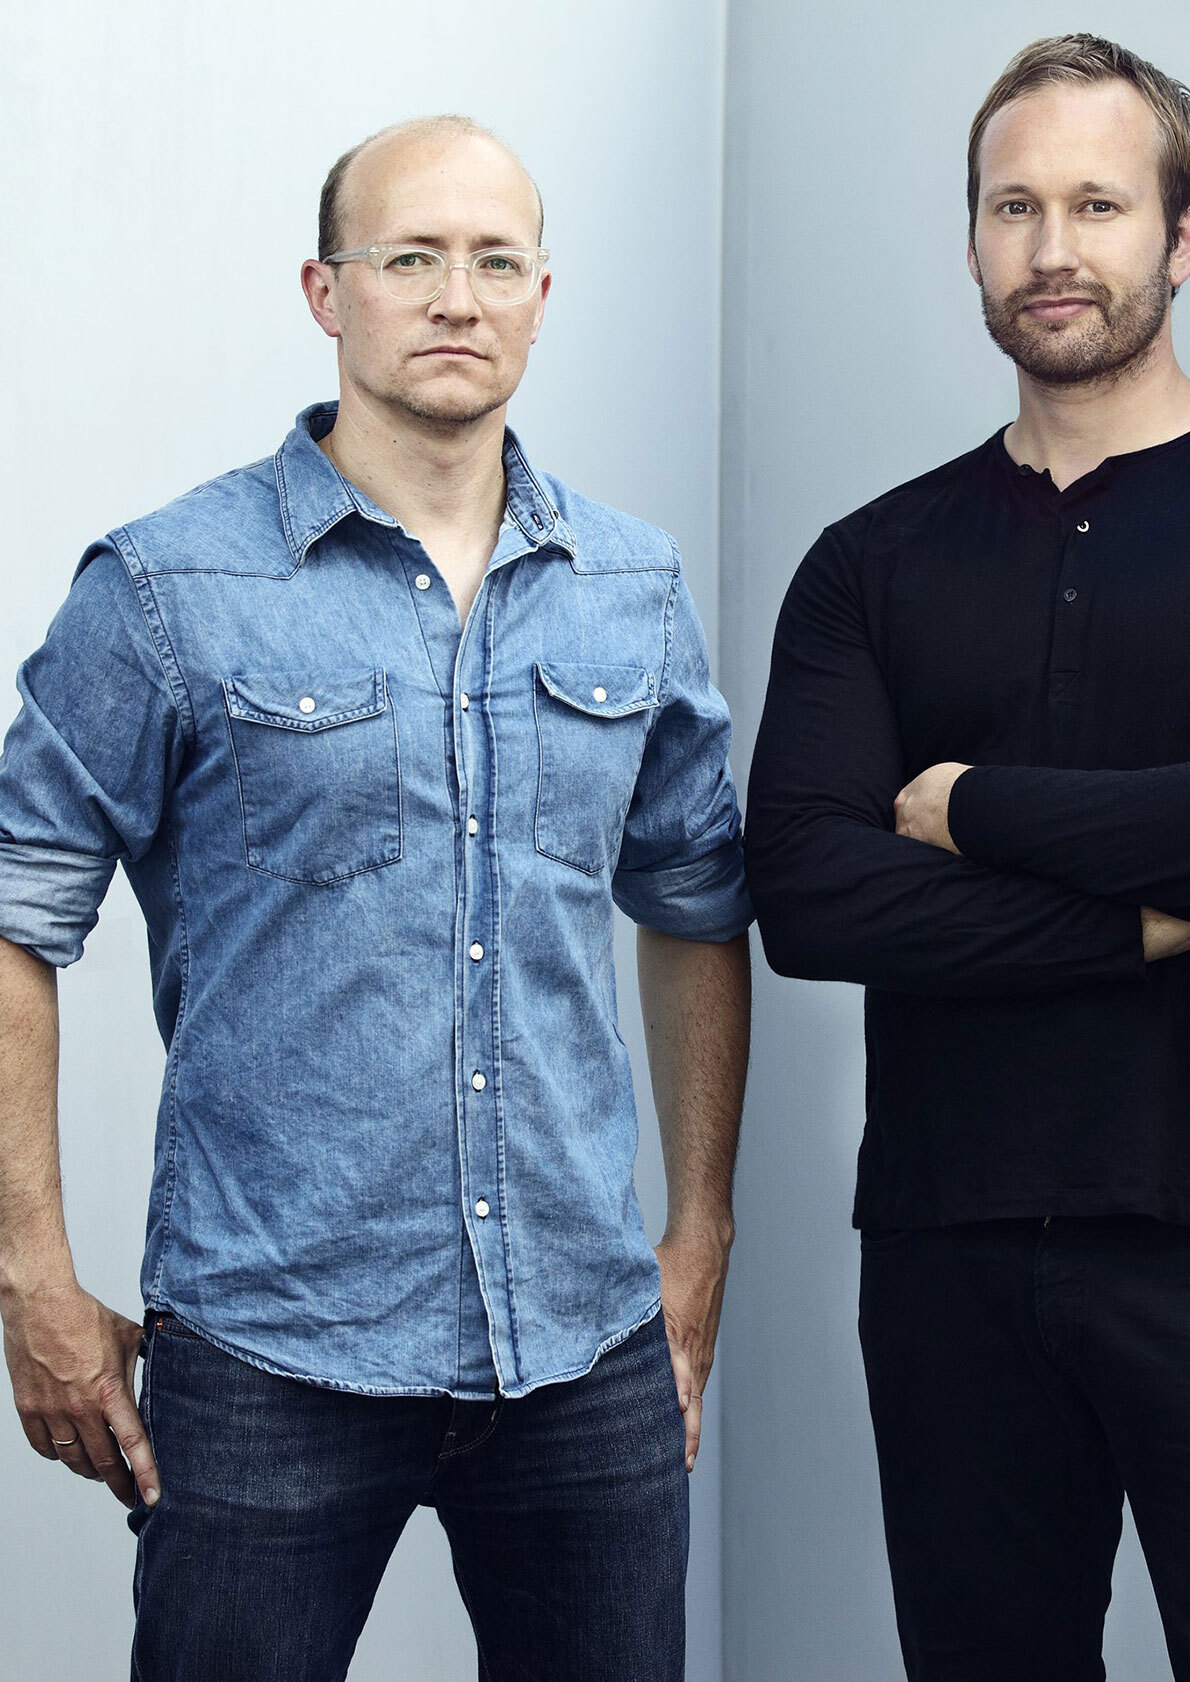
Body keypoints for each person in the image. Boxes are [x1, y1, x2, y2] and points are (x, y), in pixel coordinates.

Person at [0, 114, 752, 1682]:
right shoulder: (168, 586)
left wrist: (698, 1232)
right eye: (410, 258)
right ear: (325, 291)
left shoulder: (632, 588)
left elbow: (695, 903)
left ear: (542, 295)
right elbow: (14, 913)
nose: (456, 298)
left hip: (581, 1340)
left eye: (494, 261)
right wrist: (32, 1275)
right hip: (270, 1347)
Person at [745, 34, 1190, 1682]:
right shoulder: (868, 563)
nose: (1053, 248)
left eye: (1099, 205)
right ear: (973, 240)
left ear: (1185, 235)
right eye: (1014, 207)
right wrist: (1170, 905)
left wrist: (971, 805)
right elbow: (811, 895)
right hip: (949, 1251)